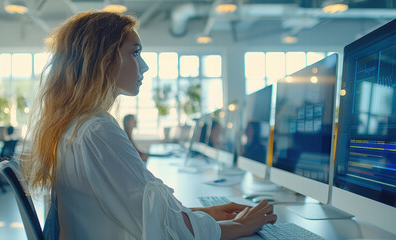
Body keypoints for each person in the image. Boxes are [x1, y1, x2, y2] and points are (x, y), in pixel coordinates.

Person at [21, 10, 276, 240]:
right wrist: (242, 225)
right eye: (135, 52)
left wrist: (205, 213)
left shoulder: (78, 126)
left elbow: (143, 213)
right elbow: (169, 231)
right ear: (103, 58)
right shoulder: (97, 131)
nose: (144, 65)